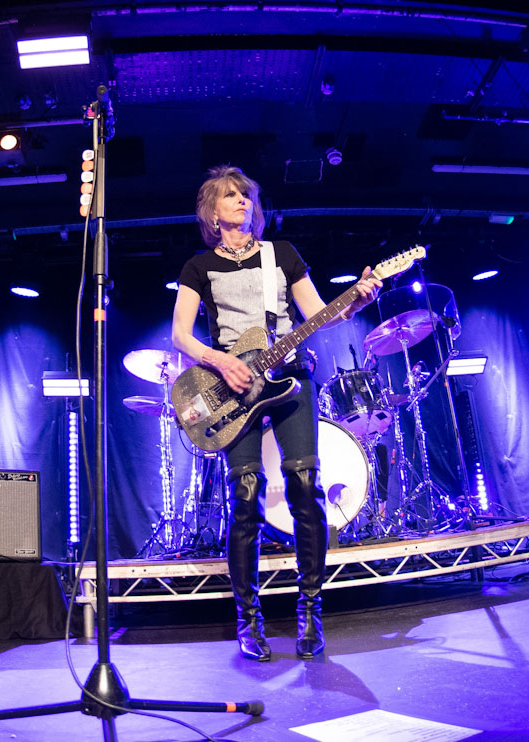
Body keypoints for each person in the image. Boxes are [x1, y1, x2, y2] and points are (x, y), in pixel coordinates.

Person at [172, 165, 380, 660]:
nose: (241, 201)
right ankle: (248, 619)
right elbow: (180, 335)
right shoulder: (199, 267)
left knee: (305, 485)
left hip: (290, 377)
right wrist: (221, 360)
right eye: (230, 195)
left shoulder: (281, 255)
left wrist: (355, 300)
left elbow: (320, 313)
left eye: (246, 194)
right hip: (230, 387)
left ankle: (311, 610)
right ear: (212, 211)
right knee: (245, 494)